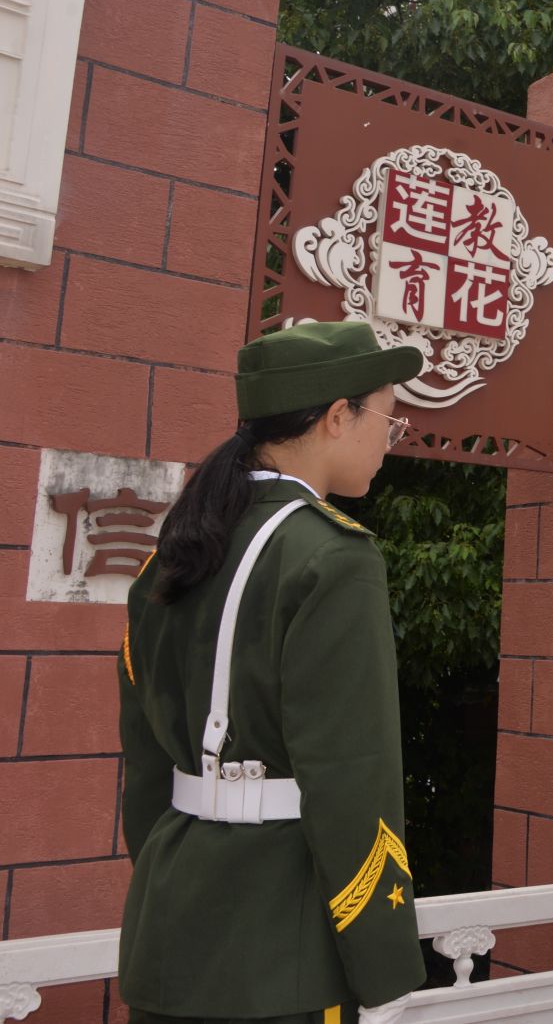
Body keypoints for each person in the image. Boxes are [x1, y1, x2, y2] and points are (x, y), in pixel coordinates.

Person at [118, 321, 429, 1024]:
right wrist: (381, 958)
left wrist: (179, 874)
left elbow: (145, 767)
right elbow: (353, 776)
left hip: (168, 933)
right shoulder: (332, 558)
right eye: (387, 415)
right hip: (281, 956)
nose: (392, 436)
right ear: (336, 416)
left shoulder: (171, 557)